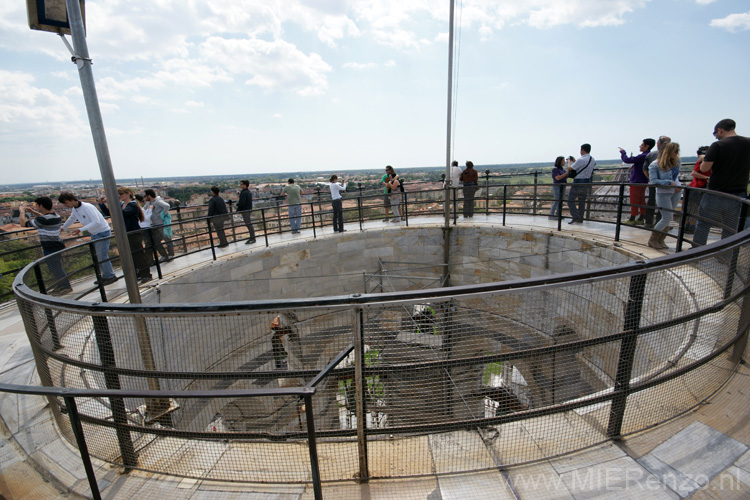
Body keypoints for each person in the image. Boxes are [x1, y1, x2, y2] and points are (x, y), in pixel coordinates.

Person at [694, 119, 750, 245]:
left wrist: (703, 159)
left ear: (720, 130)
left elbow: (704, 169)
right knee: (730, 227)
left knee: (703, 223)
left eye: (715, 134)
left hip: (716, 192)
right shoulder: (748, 142)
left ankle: (697, 251)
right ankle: (725, 254)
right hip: (738, 192)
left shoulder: (718, 145)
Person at [59, 191, 117, 286]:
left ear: (72, 200)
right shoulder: (75, 209)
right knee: (99, 255)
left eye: (66, 203)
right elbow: (71, 219)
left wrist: (80, 229)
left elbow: (96, 221)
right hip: (95, 233)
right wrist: (63, 228)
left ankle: (110, 276)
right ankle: (107, 275)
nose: (66, 205)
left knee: (101, 255)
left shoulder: (87, 207)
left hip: (102, 232)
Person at [19, 197, 72, 293]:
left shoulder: (43, 219)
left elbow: (23, 224)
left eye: (36, 205)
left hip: (50, 246)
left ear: (41, 205)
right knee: (55, 267)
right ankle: (61, 285)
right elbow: (43, 218)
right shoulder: (55, 216)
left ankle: (66, 286)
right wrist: (33, 211)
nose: (36, 207)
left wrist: (22, 212)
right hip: (57, 245)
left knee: (55, 267)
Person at [648, 143, 682, 250]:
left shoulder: (676, 162)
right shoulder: (655, 164)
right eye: (675, 151)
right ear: (668, 151)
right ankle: (653, 240)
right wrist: (669, 183)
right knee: (667, 217)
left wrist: (677, 185)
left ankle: (661, 240)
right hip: (663, 192)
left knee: (669, 217)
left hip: (675, 192)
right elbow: (653, 181)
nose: (677, 153)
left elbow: (676, 177)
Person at [118, 187, 153, 283]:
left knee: (138, 255)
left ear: (128, 193)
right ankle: (138, 274)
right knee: (132, 255)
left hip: (133, 233)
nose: (120, 196)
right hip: (127, 233)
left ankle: (146, 274)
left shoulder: (132, 205)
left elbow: (121, 213)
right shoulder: (122, 205)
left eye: (121, 194)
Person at [620, 138, 655, 225]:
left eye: (642, 144)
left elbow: (627, 160)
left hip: (636, 181)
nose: (640, 146)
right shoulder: (649, 155)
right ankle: (641, 217)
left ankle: (632, 218)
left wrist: (623, 152)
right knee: (641, 199)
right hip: (643, 180)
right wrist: (635, 165)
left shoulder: (642, 156)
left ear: (647, 146)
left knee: (634, 200)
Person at [643, 136, 671, 228]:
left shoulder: (651, 155)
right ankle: (661, 223)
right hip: (667, 185)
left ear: (659, 144)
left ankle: (648, 221)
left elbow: (645, 169)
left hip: (654, 183)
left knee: (651, 201)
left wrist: (651, 179)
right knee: (663, 204)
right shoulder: (671, 156)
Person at [566, 144, 597, 224]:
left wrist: (569, 162)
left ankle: (576, 217)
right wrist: (574, 161)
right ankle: (580, 218)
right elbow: (582, 166)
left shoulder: (581, 159)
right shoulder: (592, 159)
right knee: (581, 201)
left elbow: (570, 168)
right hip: (587, 181)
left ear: (582, 150)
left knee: (570, 200)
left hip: (579, 181)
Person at [684, 146, 710, 234]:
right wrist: (707, 178)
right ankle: (691, 226)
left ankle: (687, 226)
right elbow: (694, 173)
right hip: (699, 187)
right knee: (695, 208)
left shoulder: (701, 161)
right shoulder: (702, 162)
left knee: (691, 208)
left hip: (695, 187)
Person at [144, 189, 175, 262]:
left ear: (149, 196)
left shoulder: (158, 201)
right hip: (155, 225)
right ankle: (164, 255)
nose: (144, 197)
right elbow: (143, 210)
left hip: (162, 224)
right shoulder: (148, 203)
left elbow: (167, 206)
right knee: (156, 242)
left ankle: (170, 255)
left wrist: (161, 215)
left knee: (167, 240)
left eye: (145, 196)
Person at [236, 180, 256, 244]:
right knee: (249, 224)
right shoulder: (247, 192)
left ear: (245, 185)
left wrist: (237, 204)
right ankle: (252, 238)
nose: (240, 185)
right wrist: (240, 195)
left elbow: (242, 203)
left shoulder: (244, 193)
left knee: (248, 224)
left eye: (241, 184)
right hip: (248, 209)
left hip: (245, 210)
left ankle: (252, 238)